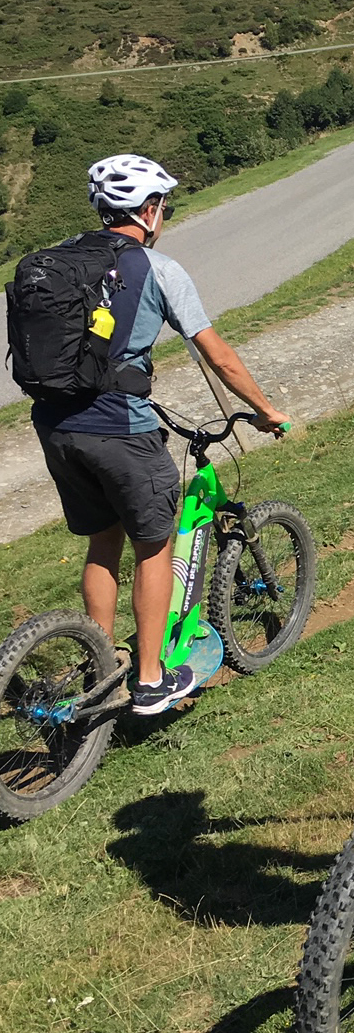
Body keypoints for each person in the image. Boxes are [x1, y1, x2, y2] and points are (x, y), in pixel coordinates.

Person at [30, 155, 289, 715]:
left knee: (104, 539)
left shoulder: (57, 261)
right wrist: (266, 409)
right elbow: (217, 355)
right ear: (149, 211)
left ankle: (101, 667)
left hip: (56, 425)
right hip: (119, 427)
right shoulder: (157, 268)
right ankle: (149, 680)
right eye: (163, 206)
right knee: (154, 545)